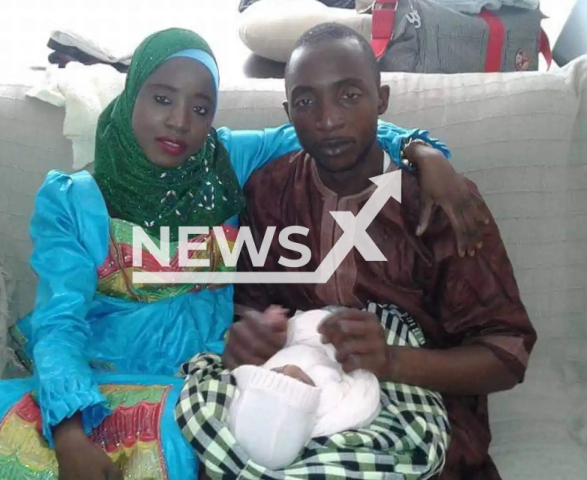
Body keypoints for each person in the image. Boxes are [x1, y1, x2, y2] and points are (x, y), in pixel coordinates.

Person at [0, 28, 485, 480]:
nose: (181, 121)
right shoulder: (72, 200)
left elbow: (330, 131)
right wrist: (67, 433)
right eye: (162, 98)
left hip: (202, 385)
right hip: (90, 383)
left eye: (200, 108)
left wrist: (421, 151)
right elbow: (60, 322)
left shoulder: (224, 160)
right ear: (131, 93)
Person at [223, 24, 536, 480]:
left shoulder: (437, 204)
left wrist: (392, 361)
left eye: (349, 95)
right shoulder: (269, 191)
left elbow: (507, 355)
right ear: (288, 112)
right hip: (300, 404)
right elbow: (248, 306)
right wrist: (252, 335)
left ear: (382, 100)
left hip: (426, 415)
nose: (328, 119)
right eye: (307, 102)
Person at [228, 306, 383, 471]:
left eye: (278, 374)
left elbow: (276, 345)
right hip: (336, 345)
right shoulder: (329, 405)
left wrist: (281, 332)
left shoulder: (265, 372)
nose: (290, 369)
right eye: (295, 383)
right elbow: (364, 386)